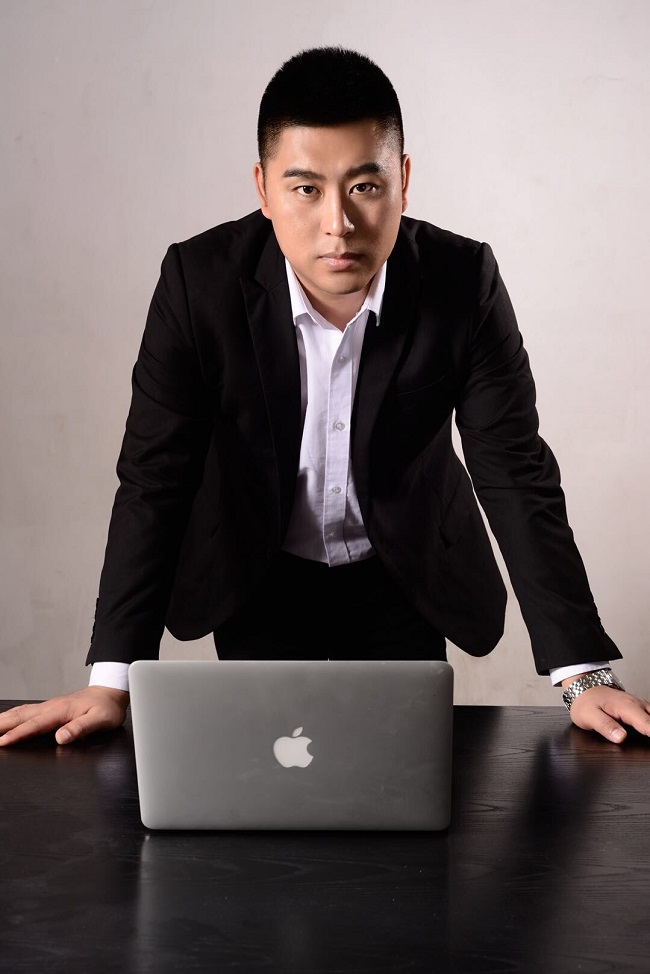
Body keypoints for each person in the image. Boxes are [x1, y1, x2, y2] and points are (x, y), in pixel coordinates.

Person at [1, 46, 648, 749]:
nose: (338, 223)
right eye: (306, 189)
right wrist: (111, 681)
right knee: (270, 778)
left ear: (403, 181)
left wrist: (583, 675)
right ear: (263, 189)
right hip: (259, 570)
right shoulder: (198, 284)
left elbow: (514, 469)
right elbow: (155, 477)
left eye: (365, 186)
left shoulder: (463, 281)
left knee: (403, 784)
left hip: (403, 571)